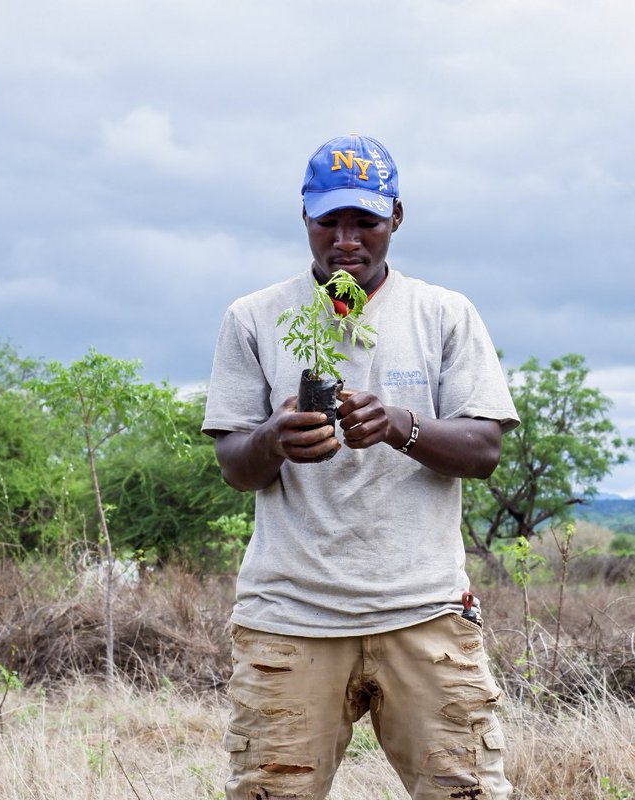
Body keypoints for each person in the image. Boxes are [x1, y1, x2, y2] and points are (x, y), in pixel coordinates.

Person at [202, 133, 519, 800]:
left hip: (424, 611)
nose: (347, 240)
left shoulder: (444, 315)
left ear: (395, 219)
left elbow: (485, 449)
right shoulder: (255, 317)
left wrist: (402, 428)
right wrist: (273, 440)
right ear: (306, 219)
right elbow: (235, 464)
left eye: (365, 221)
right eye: (330, 222)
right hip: (290, 616)